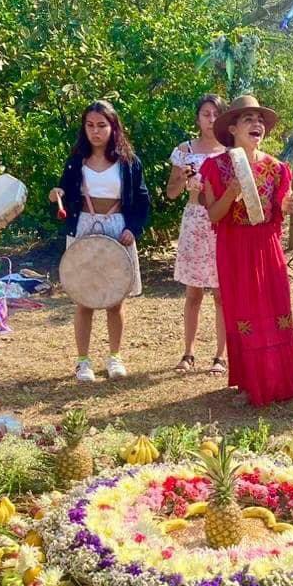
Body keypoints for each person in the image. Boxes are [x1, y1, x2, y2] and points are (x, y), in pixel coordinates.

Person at [199, 94, 293, 406]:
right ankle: (249, 382)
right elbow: (214, 215)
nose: (256, 124)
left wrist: (287, 206)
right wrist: (231, 192)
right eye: (247, 119)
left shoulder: (278, 168)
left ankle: (291, 377)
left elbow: (278, 214)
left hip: (266, 246)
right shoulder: (215, 167)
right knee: (244, 312)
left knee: (277, 310)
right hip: (234, 248)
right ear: (232, 128)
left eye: (259, 119)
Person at [49, 101, 151, 383]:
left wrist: (133, 228)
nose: (96, 131)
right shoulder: (75, 161)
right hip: (84, 228)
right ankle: (83, 362)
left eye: (102, 125)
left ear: (113, 127)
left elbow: (142, 201)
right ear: (84, 128)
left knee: (115, 300)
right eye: (90, 125)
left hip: (118, 229)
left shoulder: (129, 162)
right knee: (84, 298)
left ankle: (115, 357)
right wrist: (56, 194)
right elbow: (65, 194)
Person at [167, 94, 228, 375]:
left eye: (216, 114)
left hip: (222, 222)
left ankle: (220, 356)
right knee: (193, 293)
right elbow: (171, 192)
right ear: (197, 117)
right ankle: (188, 353)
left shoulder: (230, 150)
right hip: (194, 219)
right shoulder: (184, 150)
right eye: (206, 113)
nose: (211, 119)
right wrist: (183, 179)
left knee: (221, 293)